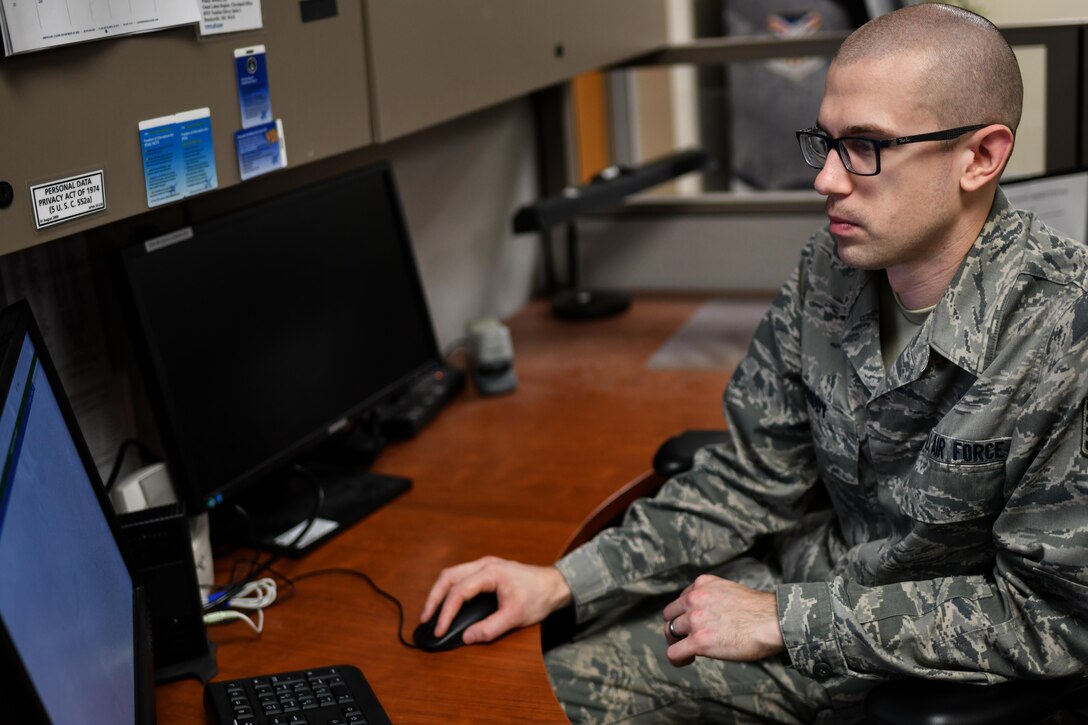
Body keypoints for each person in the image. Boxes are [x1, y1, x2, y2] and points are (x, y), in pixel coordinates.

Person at [421, 4, 1088, 722]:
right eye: (824, 142)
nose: (827, 181)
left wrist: (786, 619)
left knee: (528, 699)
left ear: (980, 157)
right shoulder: (827, 273)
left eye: (864, 147)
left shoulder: (1063, 333)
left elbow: (1052, 619)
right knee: (511, 661)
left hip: (891, 668)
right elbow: (752, 474)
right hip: (790, 584)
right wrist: (562, 581)